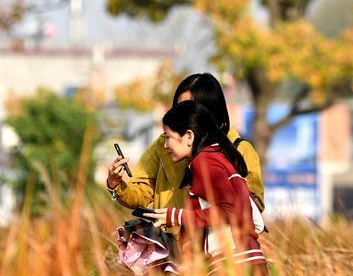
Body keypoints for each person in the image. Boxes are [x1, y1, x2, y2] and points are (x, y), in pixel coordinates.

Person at [106, 73, 265, 225]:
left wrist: (197, 217)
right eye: (178, 108)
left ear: (209, 112)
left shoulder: (239, 149)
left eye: (188, 108)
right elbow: (141, 191)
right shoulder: (164, 145)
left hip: (221, 249)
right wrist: (116, 185)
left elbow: (252, 207)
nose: (181, 115)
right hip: (173, 246)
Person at [142, 101, 267, 276]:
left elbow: (230, 210)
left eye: (168, 137)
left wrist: (176, 216)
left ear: (189, 136)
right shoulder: (218, 156)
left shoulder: (204, 161)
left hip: (234, 267)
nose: (165, 145)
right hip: (248, 264)